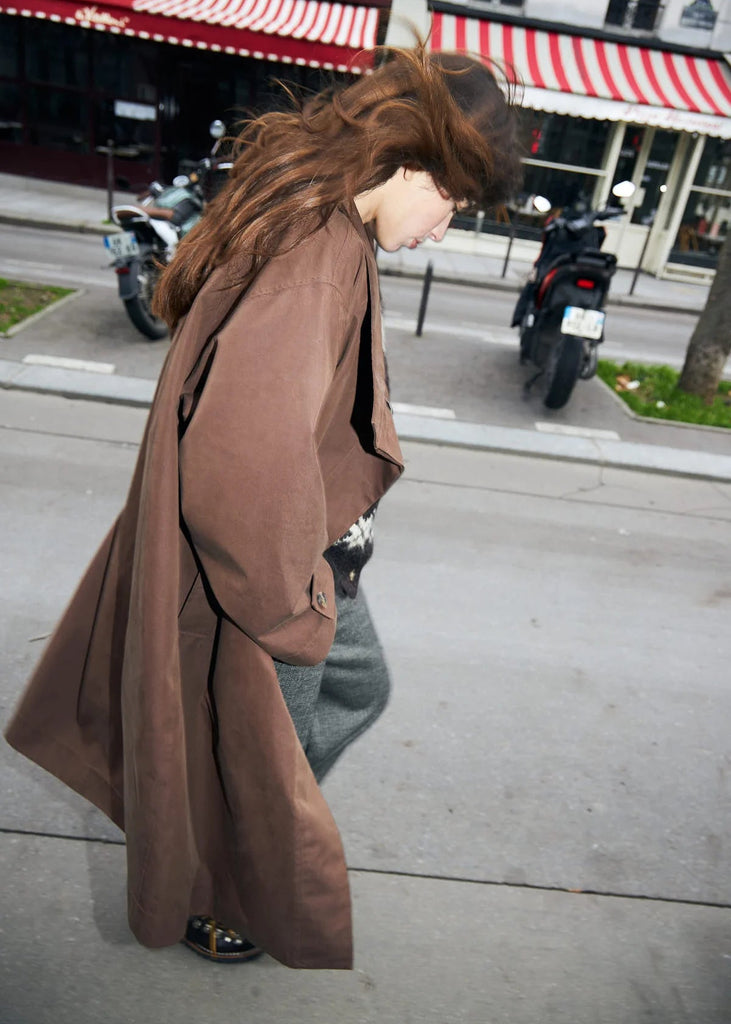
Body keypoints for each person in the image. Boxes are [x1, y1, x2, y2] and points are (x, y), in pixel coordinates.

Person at [4, 43, 521, 969]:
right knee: (260, 756)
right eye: (451, 199)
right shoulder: (318, 257)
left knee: (342, 698)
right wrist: (294, 604)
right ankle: (232, 888)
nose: (446, 227)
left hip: (317, 556)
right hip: (279, 582)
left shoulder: (324, 227)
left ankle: (236, 845)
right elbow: (239, 465)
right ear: (409, 160)